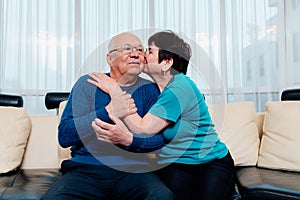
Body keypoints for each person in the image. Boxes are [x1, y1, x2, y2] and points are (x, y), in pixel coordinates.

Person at [88, 30, 236, 200]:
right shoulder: (155, 91)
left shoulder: (180, 87)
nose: (143, 55)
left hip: (211, 163)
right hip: (177, 164)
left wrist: (114, 90)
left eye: (150, 51)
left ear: (166, 62)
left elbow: (142, 128)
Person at [42, 32, 175, 200]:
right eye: (127, 48)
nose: (135, 53)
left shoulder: (151, 90)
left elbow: (159, 141)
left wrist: (127, 139)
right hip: (86, 170)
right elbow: (64, 136)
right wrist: (108, 112)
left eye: (140, 49)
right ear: (109, 59)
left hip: (134, 170)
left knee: (161, 196)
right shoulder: (88, 83)